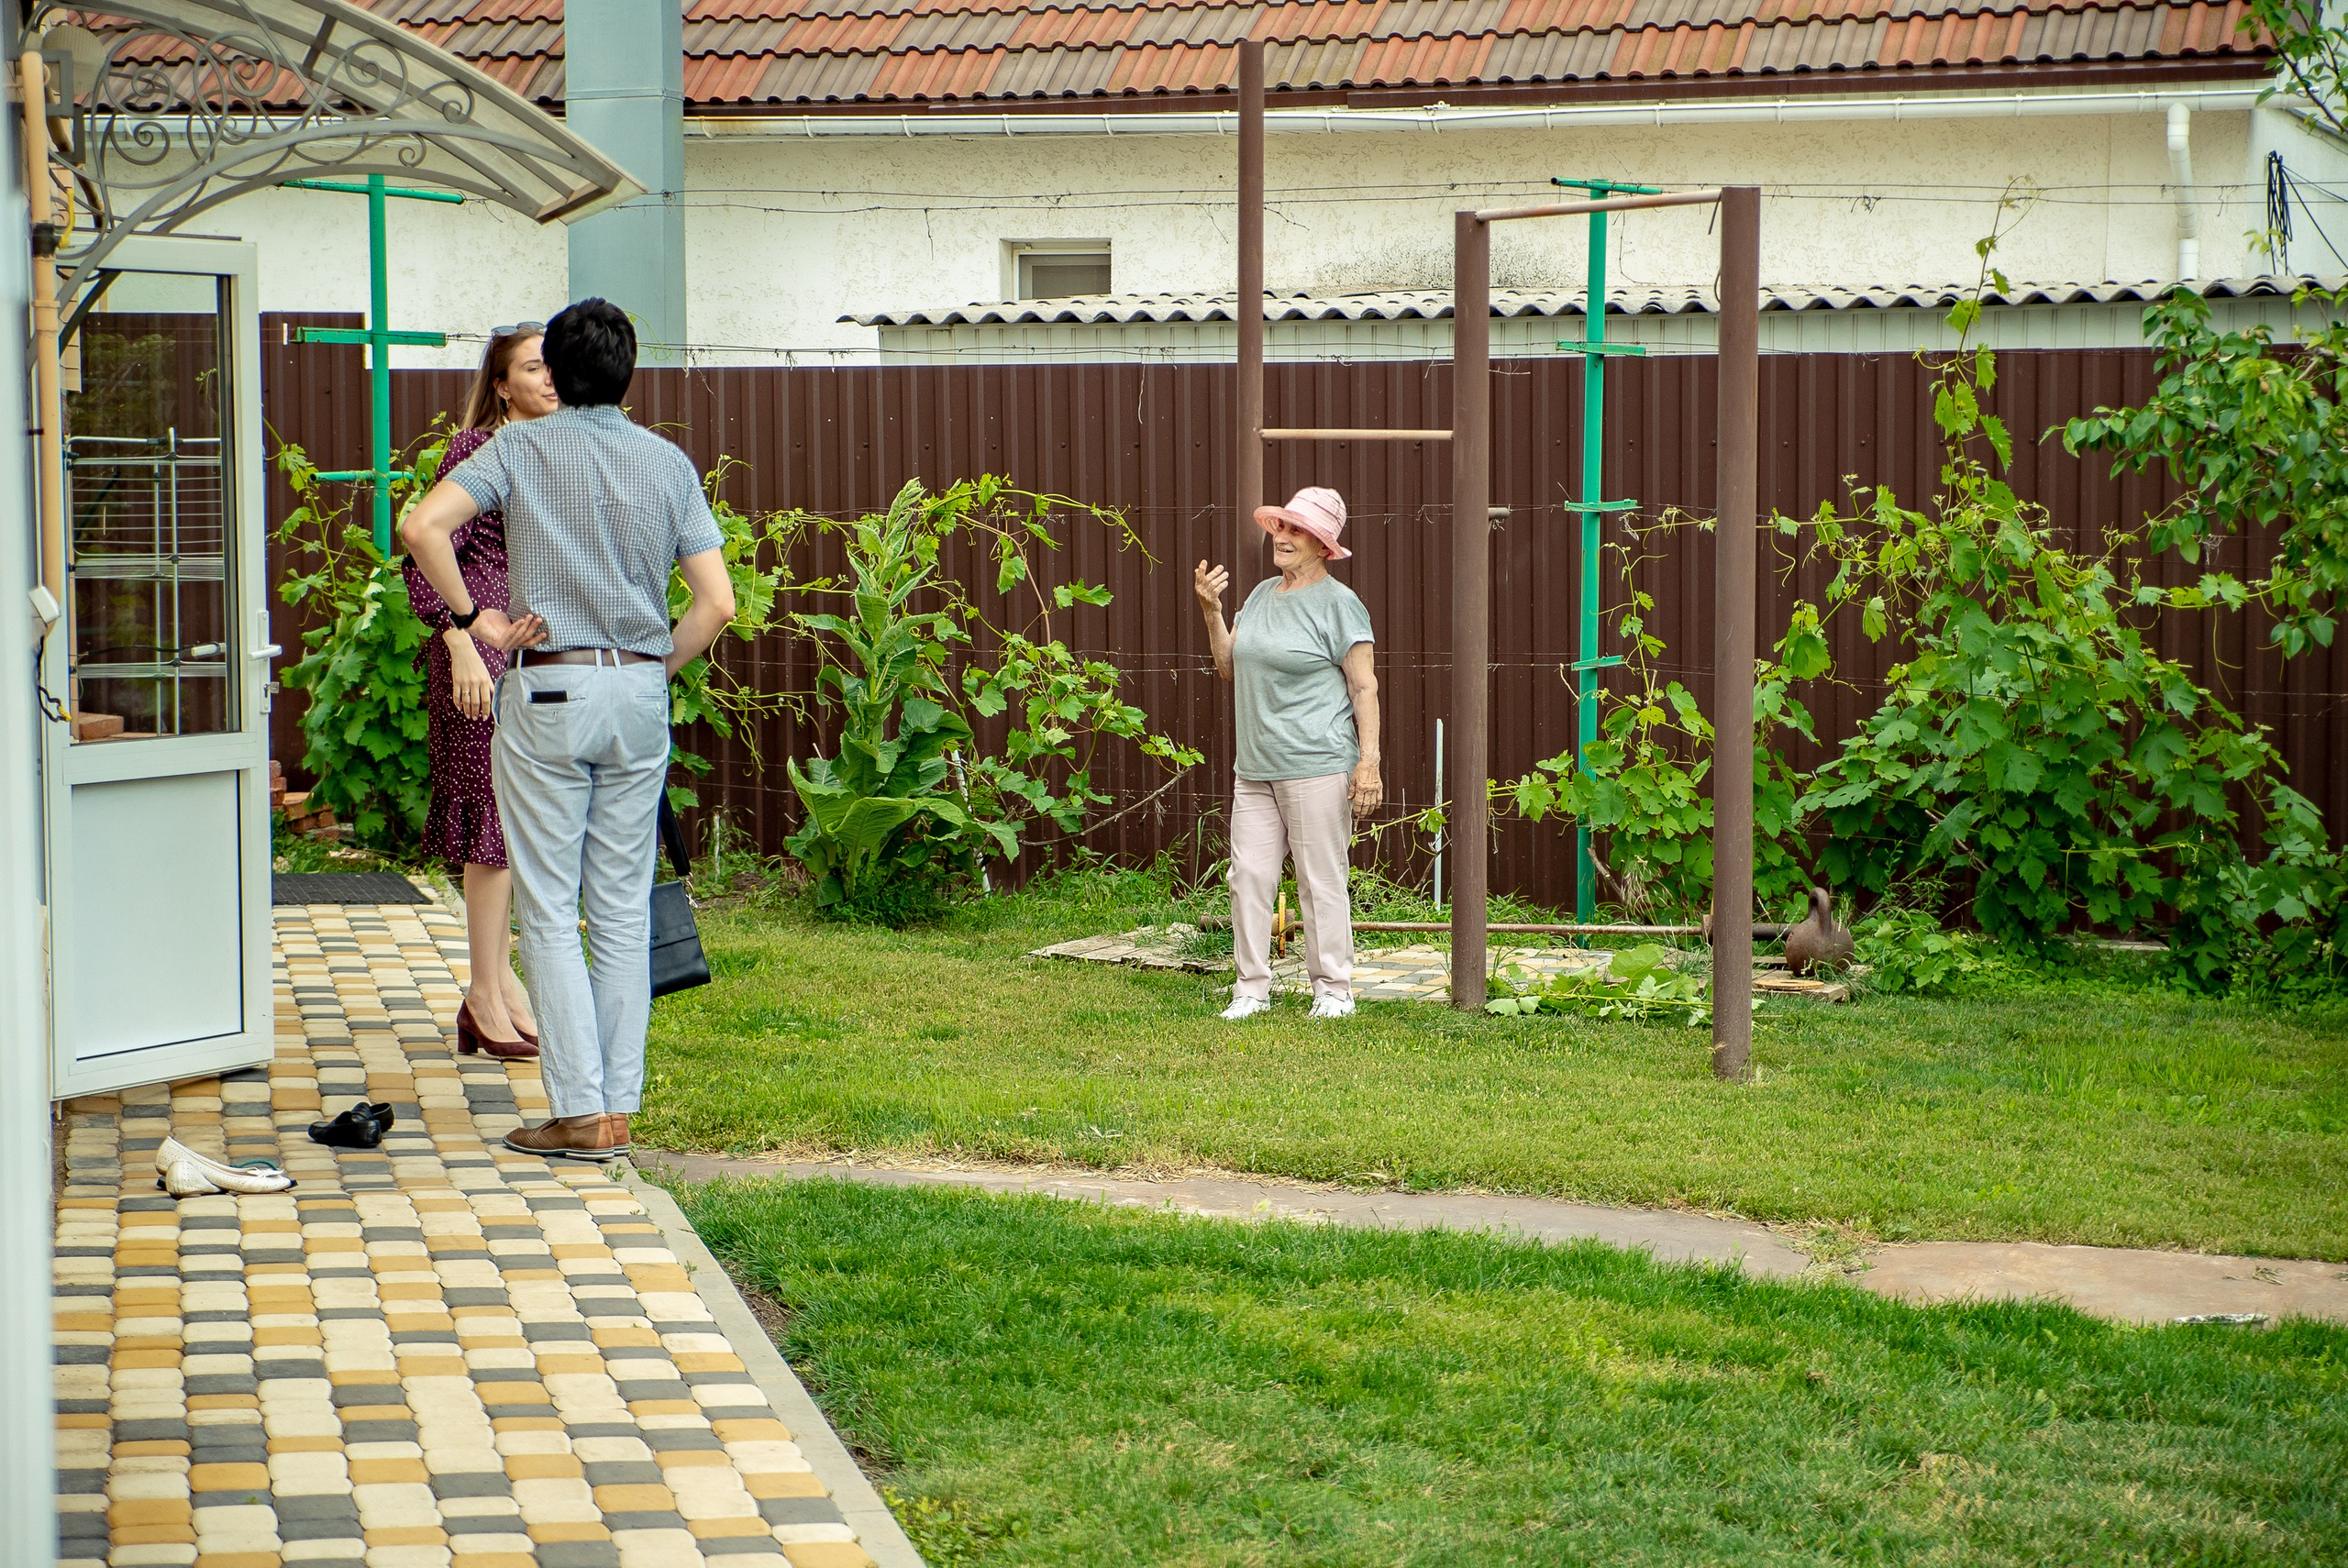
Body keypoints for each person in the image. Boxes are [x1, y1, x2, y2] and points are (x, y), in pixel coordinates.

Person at [401, 298, 737, 1162]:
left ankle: (578, 1112)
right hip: (635, 695)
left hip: (547, 692)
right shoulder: (668, 463)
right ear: (627, 374)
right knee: (619, 907)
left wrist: (477, 617)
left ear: (558, 366)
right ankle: (617, 1109)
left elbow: (420, 526)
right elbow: (717, 605)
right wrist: (651, 669)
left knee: (549, 906)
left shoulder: (517, 446)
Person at [401, 324, 558, 1061]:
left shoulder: (553, 449)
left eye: (554, 365)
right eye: (532, 367)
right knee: (490, 823)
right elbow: (422, 551)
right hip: (481, 654)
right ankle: (484, 993)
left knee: (516, 824)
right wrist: (458, 638)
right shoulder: (477, 449)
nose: (549, 377)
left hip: (528, 651)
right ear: (501, 384)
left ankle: (501, 984)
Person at [1194, 485, 1381, 1021]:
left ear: (1323, 545)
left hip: (1317, 764)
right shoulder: (1257, 596)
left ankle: (1333, 989)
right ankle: (1251, 988)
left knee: (1320, 880)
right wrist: (1212, 612)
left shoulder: (1341, 606)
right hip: (1255, 767)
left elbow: (1363, 688)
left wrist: (1367, 762)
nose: (1283, 536)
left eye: (1297, 529)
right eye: (1281, 526)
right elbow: (1229, 667)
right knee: (1248, 877)